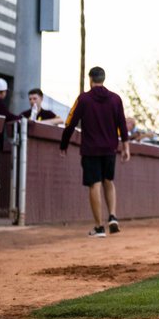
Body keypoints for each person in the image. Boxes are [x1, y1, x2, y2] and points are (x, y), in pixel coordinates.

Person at [59, 66, 130, 238]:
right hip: (110, 149)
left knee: (95, 185)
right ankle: (112, 216)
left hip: (91, 149)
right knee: (109, 181)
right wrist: (126, 146)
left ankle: (99, 227)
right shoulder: (115, 99)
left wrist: (64, 144)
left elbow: (71, 122)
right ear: (103, 79)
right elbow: (122, 123)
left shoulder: (84, 99)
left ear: (90, 79)